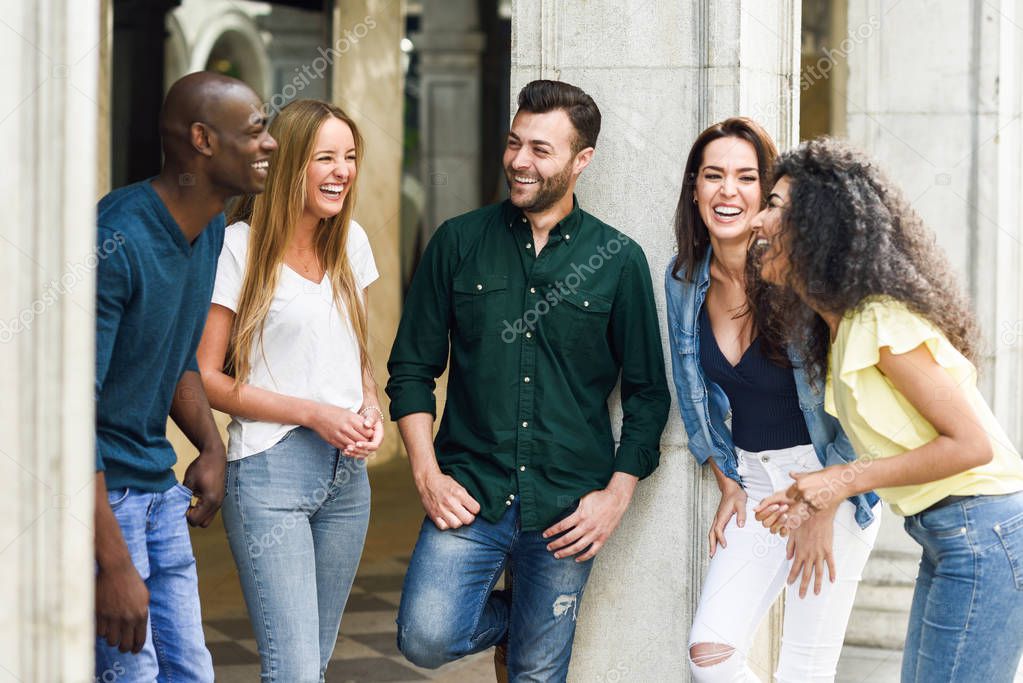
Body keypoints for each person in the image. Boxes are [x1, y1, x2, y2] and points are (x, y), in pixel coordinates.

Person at [386, 79, 670, 681]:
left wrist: (614, 499)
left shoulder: (617, 261)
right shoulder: (458, 244)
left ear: (581, 160)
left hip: (568, 508)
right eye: (515, 143)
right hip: (470, 492)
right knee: (425, 637)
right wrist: (425, 473)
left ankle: (542, 625)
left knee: (538, 672)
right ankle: (536, 617)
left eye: (541, 149)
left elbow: (648, 395)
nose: (519, 160)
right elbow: (411, 367)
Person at [751, 137, 1023, 682]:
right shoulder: (840, 325)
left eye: (776, 205)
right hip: (949, 536)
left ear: (818, 223)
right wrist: (817, 491)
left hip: (982, 534)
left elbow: (972, 445)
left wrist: (842, 480)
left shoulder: (879, 319)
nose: (758, 219)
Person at [664, 118, 880, 682]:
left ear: (766, 195)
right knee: (709, 654)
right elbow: (689, 387)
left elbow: (858, 402)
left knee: (802, 670)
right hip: (758, 489)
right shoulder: (684, 280)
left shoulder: (803, 279)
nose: (727, 191)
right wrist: (725, 474)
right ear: (695, 188)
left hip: (827, 479)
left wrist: (824, 500)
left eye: (745, 177)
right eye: (713, 176)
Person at [94, 72, 277, 680]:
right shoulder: (117, 238)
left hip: (158, 492)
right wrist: (113, 563)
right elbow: (68, 415)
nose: (271, 144)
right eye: (256, 130)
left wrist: (210, 444)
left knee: (190, 671)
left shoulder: (210, 232)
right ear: (202, 139)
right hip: (104, 502)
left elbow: (172, 358)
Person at [195, 99, 383, 682]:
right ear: (289, 165)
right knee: (294, 671)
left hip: (347, 481)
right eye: (324, 157)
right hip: (271, 475)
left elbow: (356, 358)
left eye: (349, 157)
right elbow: (206, 378)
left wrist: (369, 403)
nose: (341, 171)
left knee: (313, 667)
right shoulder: (238, 248)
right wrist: (314, 414)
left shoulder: (350, 241)